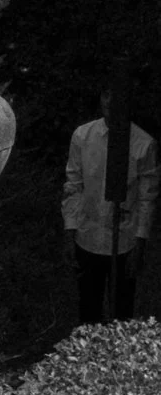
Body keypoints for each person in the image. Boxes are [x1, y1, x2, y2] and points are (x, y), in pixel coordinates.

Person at [63, 92, 157, 320]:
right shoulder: (83, 136)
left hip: (124, 240)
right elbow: (74, 185)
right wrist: (69, 230)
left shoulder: (143, 144)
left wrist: (140, 243)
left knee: (122, 309)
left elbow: (147, 198)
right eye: (106, 95)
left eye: (116, 96)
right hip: (88, 236)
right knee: (88, 307)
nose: (110, 102)